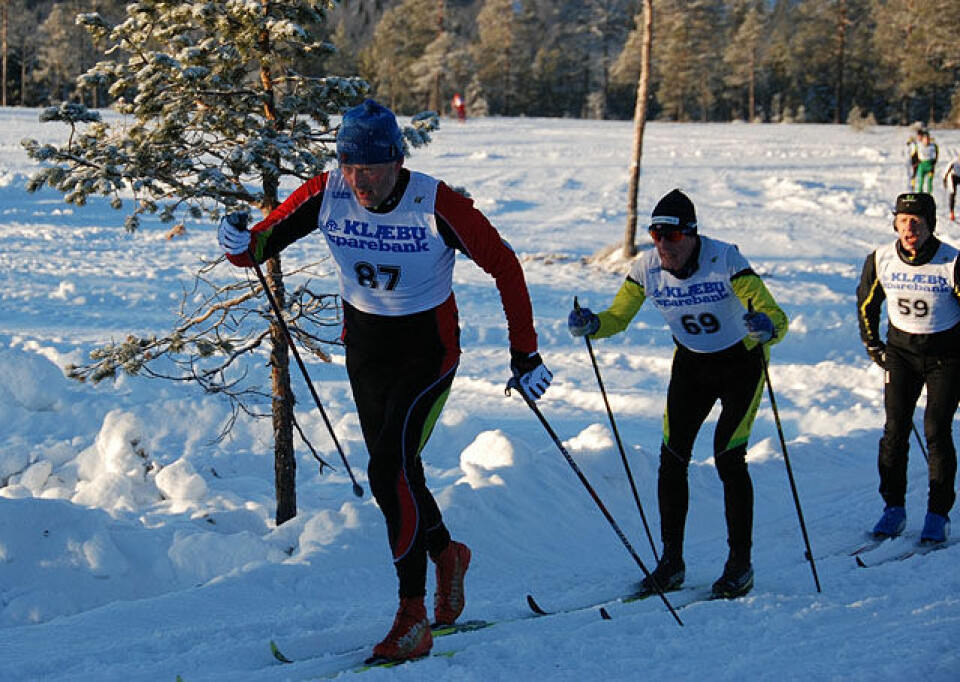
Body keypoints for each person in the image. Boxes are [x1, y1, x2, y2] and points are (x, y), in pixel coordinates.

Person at [218, 99, 552, 662]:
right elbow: (260, 245)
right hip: (367, 351)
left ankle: (412, 615)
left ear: (398, 161)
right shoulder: (328, 192)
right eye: (351, 166)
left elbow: (505, 264)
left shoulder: (434, 202)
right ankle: (446, 554)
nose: (361, 180)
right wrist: (236, 243)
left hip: (429, 352)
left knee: (388, 468)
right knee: (397, 472)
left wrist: (525, 351)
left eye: (372, 167)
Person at [567, 189, 788, 600]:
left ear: (691, 234)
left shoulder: (725, 260)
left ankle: (740, 564)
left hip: (742, 363)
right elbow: (618, 317)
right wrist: (592, 323)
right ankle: (672, 563)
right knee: (672, 459)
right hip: (692, 365)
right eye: (655, 234)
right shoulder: (646, 268)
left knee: (728, 456)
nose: (663, 244)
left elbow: (776, 316)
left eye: (671, 235)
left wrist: (766, 326)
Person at [856, 192, 957, 545]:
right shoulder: (882, 258)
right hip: (900, 353)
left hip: (946, 357)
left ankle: (938, 513)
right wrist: (873, 344)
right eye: (902, 220)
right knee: (895, 429)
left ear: (931, 224)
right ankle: (893, 508)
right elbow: (867, 302)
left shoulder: (951, 261)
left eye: (916, 221)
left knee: (936, 430)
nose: (908, 228)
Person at [914, 129, 938, 194]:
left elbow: (935, 155)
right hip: (922, 165)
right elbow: (914, 153)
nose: (926, 140)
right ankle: (920, 195)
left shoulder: (933, 146)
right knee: (921, 181)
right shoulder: (919, 145)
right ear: (923, 139)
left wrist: (933, 163)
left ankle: (929, 196)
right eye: (925, 139)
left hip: (930, 165)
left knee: (929, 182)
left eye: (928, 139)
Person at [942, 152, 959, 222]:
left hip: (959, 177)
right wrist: (944, 181)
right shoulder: (954, 162)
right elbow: (946, 172)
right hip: (952, 177)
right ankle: (952, 212)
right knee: (953, 193)